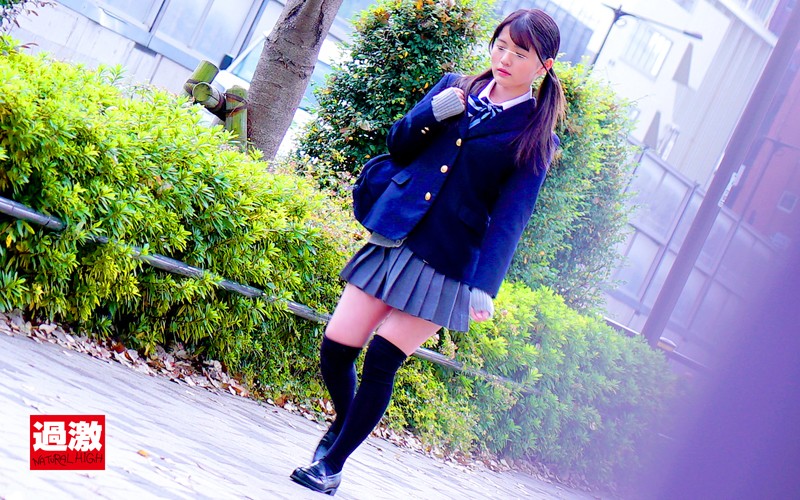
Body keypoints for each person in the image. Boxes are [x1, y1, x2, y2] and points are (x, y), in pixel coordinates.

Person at [290, 8, 565, 495]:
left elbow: (511, 219)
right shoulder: (454, 87)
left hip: (448, 262)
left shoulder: (536, 137)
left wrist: (485, 286)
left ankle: (331, 464)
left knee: (382, 358)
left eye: (519, 53)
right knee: (336, 346)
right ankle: (343, 425)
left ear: (543, 66)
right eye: (500, 45)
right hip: (396, 234)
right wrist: (431, 112)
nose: (504, 58)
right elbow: (398, 145)